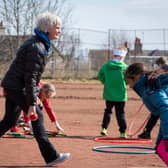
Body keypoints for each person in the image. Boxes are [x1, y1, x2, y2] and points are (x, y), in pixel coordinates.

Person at [0, 12, 70, 166]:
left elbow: (33, 76)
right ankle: (52, 157)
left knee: (9, 121)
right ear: (47, 28)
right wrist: (32, 102)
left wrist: (35, 95)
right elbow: (30, 77)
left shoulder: (39, 43)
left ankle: (51, 157)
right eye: (57, 27)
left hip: (13, 86)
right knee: (37, 117)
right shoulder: (36, 47)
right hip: (17, 87)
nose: (59, 30)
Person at [124, 62, 168, 153]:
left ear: (135, 77)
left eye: (128, 82)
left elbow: (166, 109)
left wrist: (166, 137)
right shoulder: (148, 86)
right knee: (161, 150)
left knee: (162, 150)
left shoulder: (150, 88)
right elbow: (163, 114)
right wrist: (160, 141)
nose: (129, 86)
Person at [98, 47, 128, 138]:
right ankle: (122, 133)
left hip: (109, 93)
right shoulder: (125, 67)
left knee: (108, 111)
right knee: (120, 113)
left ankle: (104, 128)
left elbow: (100, 74)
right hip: (121, 95)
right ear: (122, 57)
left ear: (114, 55)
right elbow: (129, 79)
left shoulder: (106, 66)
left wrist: (105, 82)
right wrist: (124, 83)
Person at [138, 56, 168, 139]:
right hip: (162, 99)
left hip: (163, 99)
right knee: (155, 115)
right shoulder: (158, 76)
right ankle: (147, 132)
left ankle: (148, 133)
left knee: (157, 114)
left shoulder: (159, 76)